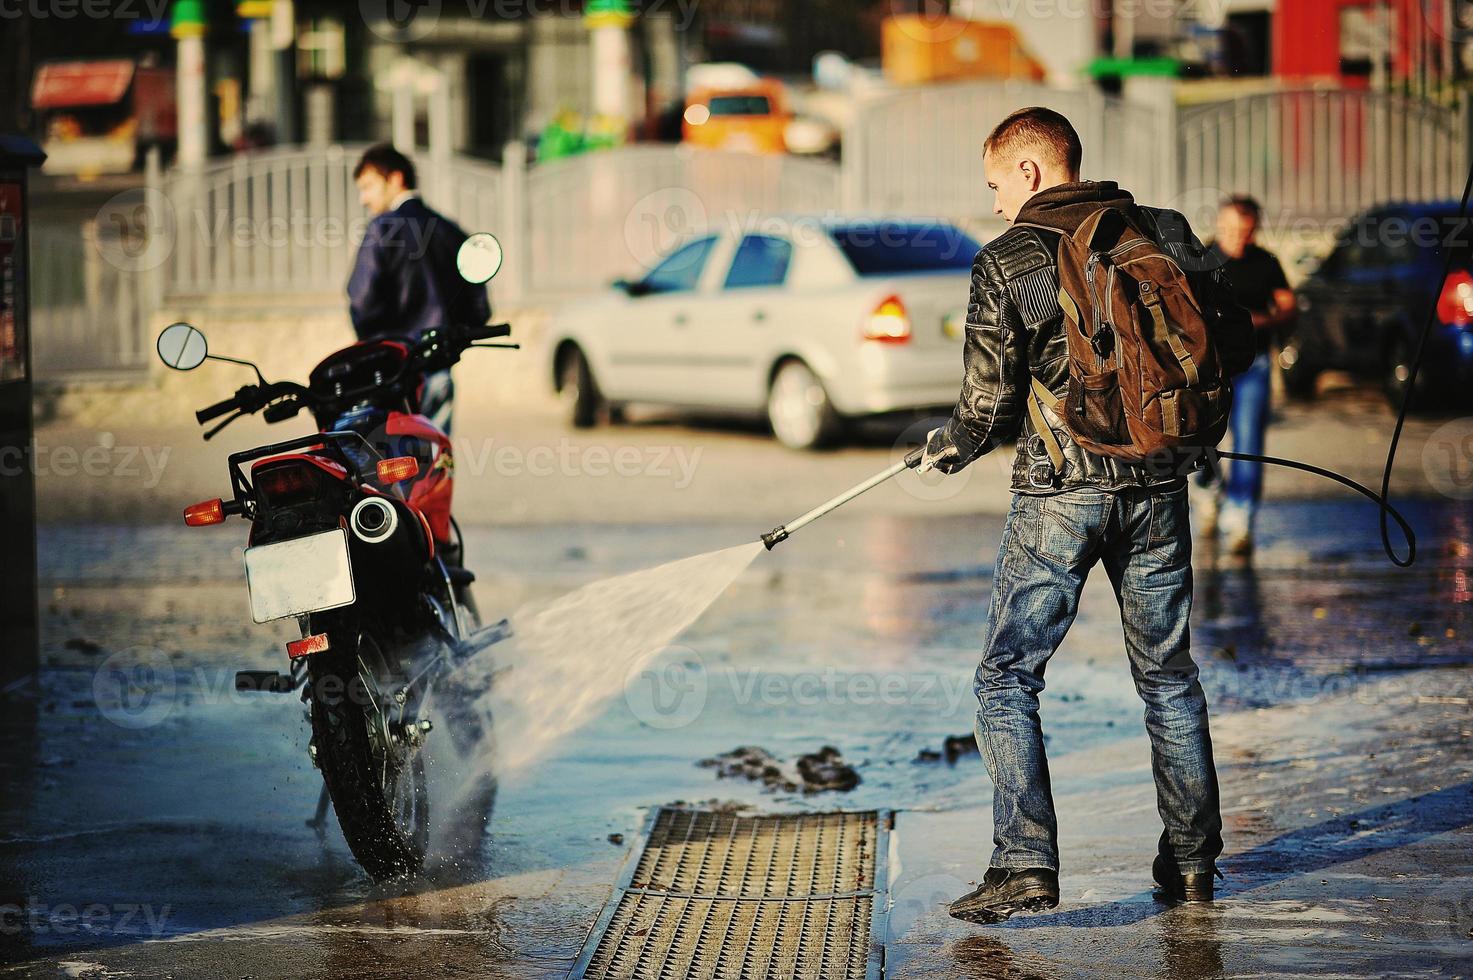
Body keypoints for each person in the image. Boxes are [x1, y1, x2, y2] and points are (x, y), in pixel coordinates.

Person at [919, 107, 1250, 923]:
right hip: (1160, 483)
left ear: (1030, 172)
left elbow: (990, 406)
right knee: (1169, 677)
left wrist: (948, 447)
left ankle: (1023, 865)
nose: (994, 203)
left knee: (1005, 678)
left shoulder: (1008, 259)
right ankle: (1192, 864)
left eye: (996, 184)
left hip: (1059, 492)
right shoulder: (1165, 231)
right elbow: (1230, 341)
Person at [348, 143, 489, 434]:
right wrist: (453, 340)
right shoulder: (448, 229)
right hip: (438, 365)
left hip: (391, 372)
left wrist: (376, 345)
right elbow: (479, 299)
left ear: (396, 179)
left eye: (369, 186)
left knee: (389, 464)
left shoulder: (383, 228)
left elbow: (361, 299)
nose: (363, 198)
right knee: (434, 464)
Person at [1198, 196, 1296, 556]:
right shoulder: (1201, 259)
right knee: (1202, 439)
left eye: (1246, 231)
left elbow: (1288, 306)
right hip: (1208, 369)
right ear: (1219, 226)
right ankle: (1207, 487)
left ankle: (1240, 519)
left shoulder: (1265, 263)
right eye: (1231, 230)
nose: (1238, 238)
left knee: (1249, 443)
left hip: (1253, 367)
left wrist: (1263, 321)